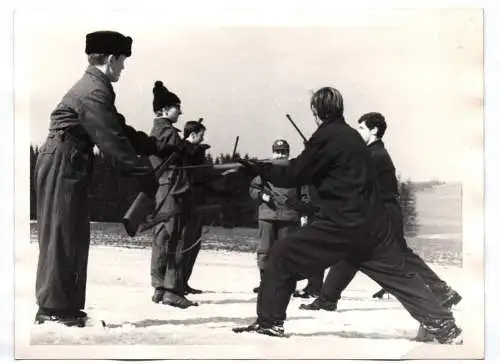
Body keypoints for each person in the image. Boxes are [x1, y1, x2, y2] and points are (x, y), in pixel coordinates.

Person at [232, 87, 462, 344]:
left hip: (342, 224)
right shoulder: (352, 137)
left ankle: (270, 322)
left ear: (316, 111)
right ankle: (443, 324)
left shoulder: (326, 137)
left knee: (281, 255)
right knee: (397, 275)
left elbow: (295, 173)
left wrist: (256, 168)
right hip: (372, 224)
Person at [34, 31, 174, 327]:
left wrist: (150, 145)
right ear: (112, 59)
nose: (123, 68)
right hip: (62, 162)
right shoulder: (94, 91)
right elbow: (112, 144)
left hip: (69, 161)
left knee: (72, 233)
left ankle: (64, 306)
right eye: (122, 62)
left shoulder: (97, 87)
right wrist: (143, 174)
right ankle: (53, 309)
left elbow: (117, 127)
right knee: (62, 233)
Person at [298, 112, 462, 339]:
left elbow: (348, 176)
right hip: (380, 212)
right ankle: (328, 297)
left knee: (396, 260)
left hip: (384, 213)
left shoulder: (375, 156)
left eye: (362, 128)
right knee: (355, 254)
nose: (359, 133)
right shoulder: (371, 154)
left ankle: (440, 296)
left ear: (374, 130)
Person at [149, 81, 208, 308]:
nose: (180, 112)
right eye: (177, 107)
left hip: (167, 189)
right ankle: (171, 289)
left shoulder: (163, 131)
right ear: (164, 110)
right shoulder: (165, 132)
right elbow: (177, 154)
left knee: (163, 238)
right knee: (174, 238)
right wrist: (193, 149)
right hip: (173, 190)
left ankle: (160, 287)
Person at [249, 139, 304, 294]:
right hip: (267, 215)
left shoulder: (295, 171)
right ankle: (265, 282)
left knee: (286, 251)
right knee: (264, 250)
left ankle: (287, 284)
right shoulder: (265, 170)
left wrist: (304, 212)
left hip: (288, 216)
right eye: (277, 151)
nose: (280, 155)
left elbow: (304, 193)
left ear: (288, 153)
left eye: (283, 152)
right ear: (273, 152)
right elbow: (253, 188)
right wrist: (261, 195)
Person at [180, 120, 211, 295]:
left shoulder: (196, 151)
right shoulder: (185, 149)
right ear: (192, 134)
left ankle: (184, 281)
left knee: (193, 244)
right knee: (186, 242)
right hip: (188, 202)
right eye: (200, 134)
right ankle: (178, 282)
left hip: (197, 202)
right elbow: (191, 164)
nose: (203, 138)